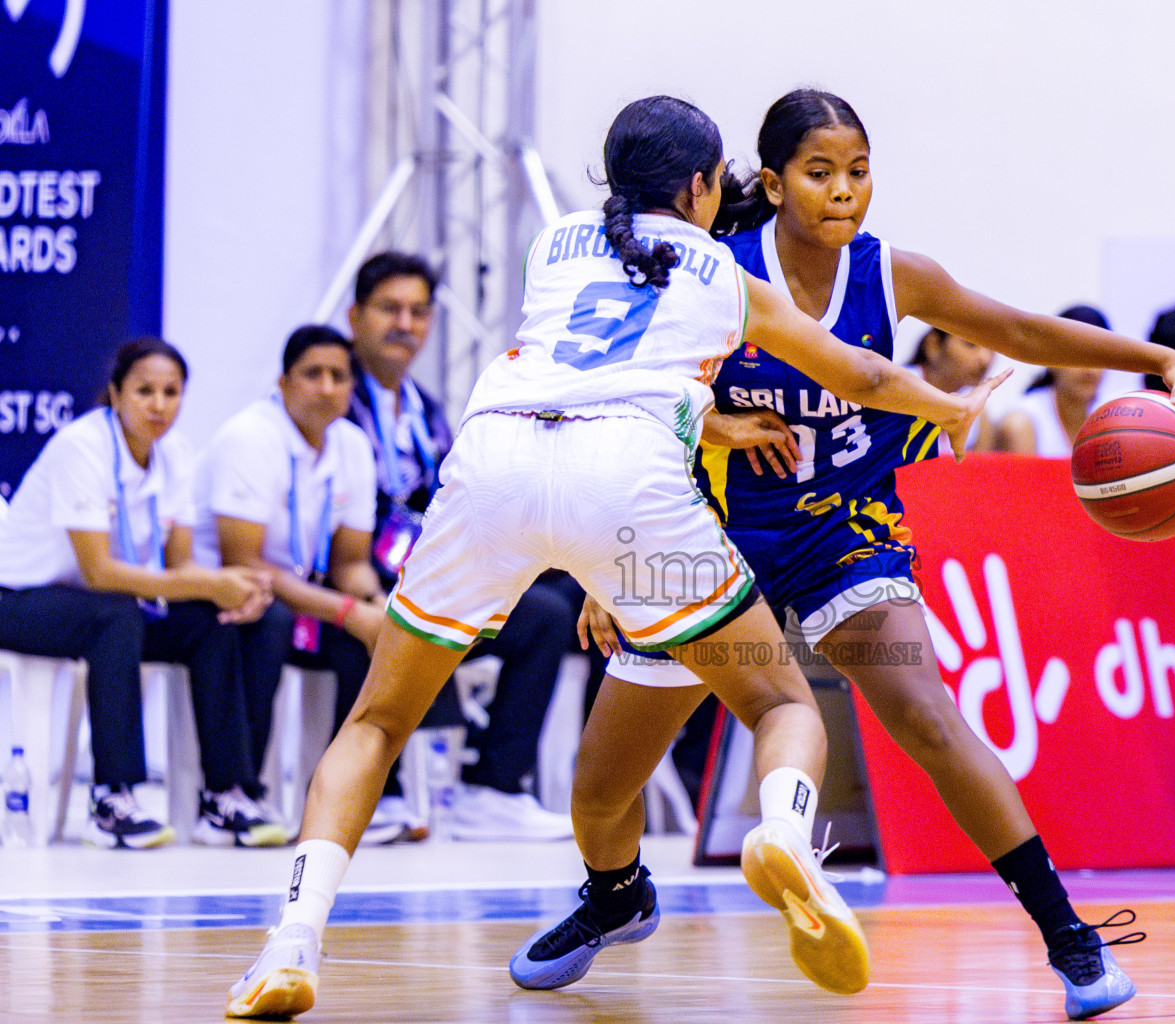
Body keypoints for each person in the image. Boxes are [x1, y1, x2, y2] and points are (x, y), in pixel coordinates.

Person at [226, 94, 1001, 1019]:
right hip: (626, 483)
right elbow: (865, 377)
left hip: (494, 465)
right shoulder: (722, 272)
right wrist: (950, 408)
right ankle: (789, 834)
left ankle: (291, 943)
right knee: (780, 699)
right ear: (704, 185)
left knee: (376, 722)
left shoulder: (552, 242)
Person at [566, 89, 1175, 1021]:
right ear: (773, 182)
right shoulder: (712, 269)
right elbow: (643, 397)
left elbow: (1022, 331)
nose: (844, 193)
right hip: (709, 532)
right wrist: (710, 429)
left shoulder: (891, 274)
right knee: (602, 779)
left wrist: (1146, 357)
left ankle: (1071, 939)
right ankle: (612, 896)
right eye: (820, 173)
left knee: (926, 714)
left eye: (859, 172)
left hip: (846, 532)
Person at [0, 338, 282, 848]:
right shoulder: (81, 446)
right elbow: (99, 571)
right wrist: (209, 582)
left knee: (207, 621)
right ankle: (112, 796)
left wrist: (232, 588)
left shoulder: (175, 454)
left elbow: (180, 566)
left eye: (171, 392)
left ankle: (223, 796)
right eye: (144, 390)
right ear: (115, 393)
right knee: (117, 615)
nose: (158, 404)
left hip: (102, 607)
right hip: (19, 599)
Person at [344, 251, 575, 844]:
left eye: (419, 312)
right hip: (351, 580)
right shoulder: (332, 393)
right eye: (390, 308)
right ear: (355, 316)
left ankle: (492, 788)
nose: (406, 324)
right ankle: (384, 789)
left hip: (425, 573)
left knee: (549, 608)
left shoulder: (426, 408)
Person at [189, 326, 386, 831]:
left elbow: (349, 564)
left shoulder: (353, 445)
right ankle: (232, 794)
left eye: (338, 376)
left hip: (308, 595)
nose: (325, 387)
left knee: (382, 640)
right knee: (267, 620)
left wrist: (377, 603)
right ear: (282, 381)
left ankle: (356, 796)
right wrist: (348, 612)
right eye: (311, 374)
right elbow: (246, 564)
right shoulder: (249, 437)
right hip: (227, 596)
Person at [994, 305, 1109, 455]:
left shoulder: (1112, 419)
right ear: (1049, 359)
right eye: (1077, 355)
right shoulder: (1022, 424)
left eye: (1099, 357)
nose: (1089, 369)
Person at [906, 325, 998, 452]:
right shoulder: (894, 388)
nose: (985, 359)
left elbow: (976, 470)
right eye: (970, 344)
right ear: (933, 345)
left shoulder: (979, 414)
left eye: (993, 349)